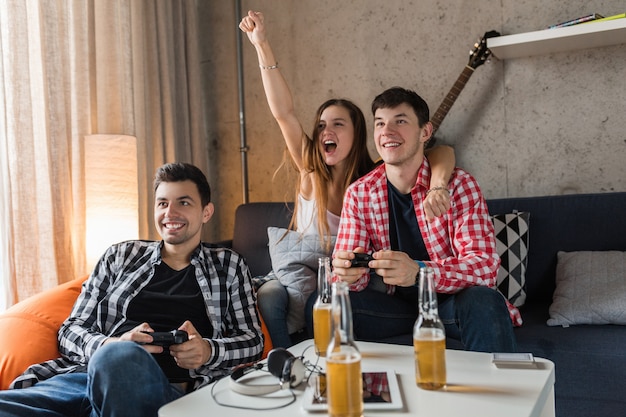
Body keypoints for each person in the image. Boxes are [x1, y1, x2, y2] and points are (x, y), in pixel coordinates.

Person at [239, 11, 456, 348]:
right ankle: (281, 362)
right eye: (322, 125)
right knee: (268, 296)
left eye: (338, 124)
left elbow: (442, 153)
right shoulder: (310, 172)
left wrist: (439, 184)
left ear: (357, 135)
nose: (327, 131)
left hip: (349, 283)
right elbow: (283, 113)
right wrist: (261, 44)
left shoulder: (372, 180)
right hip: (299, 275)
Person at [0, 162, 263, 417]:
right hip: (80, 381)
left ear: (206, 212)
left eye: (183, 202)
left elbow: (253, 341)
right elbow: (70, 330)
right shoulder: (120, 256)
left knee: (121, 359)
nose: (170, 212)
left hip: (159, 392)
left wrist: (208, 349)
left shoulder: (228, 265)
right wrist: (110, 344)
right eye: (162, 203)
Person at [332, 87, 521, 352]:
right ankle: (335, 390)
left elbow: (484, 268)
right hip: (395, 310)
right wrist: (347, 274)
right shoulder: (359, 193)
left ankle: (500, 391)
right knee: (327, 302)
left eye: (400, 121)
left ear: (425, 132)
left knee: (484, 300)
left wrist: (420, 273)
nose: (387, 131)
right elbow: (356, 281)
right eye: (380, 123)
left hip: (449, 306)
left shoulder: (458, 185)